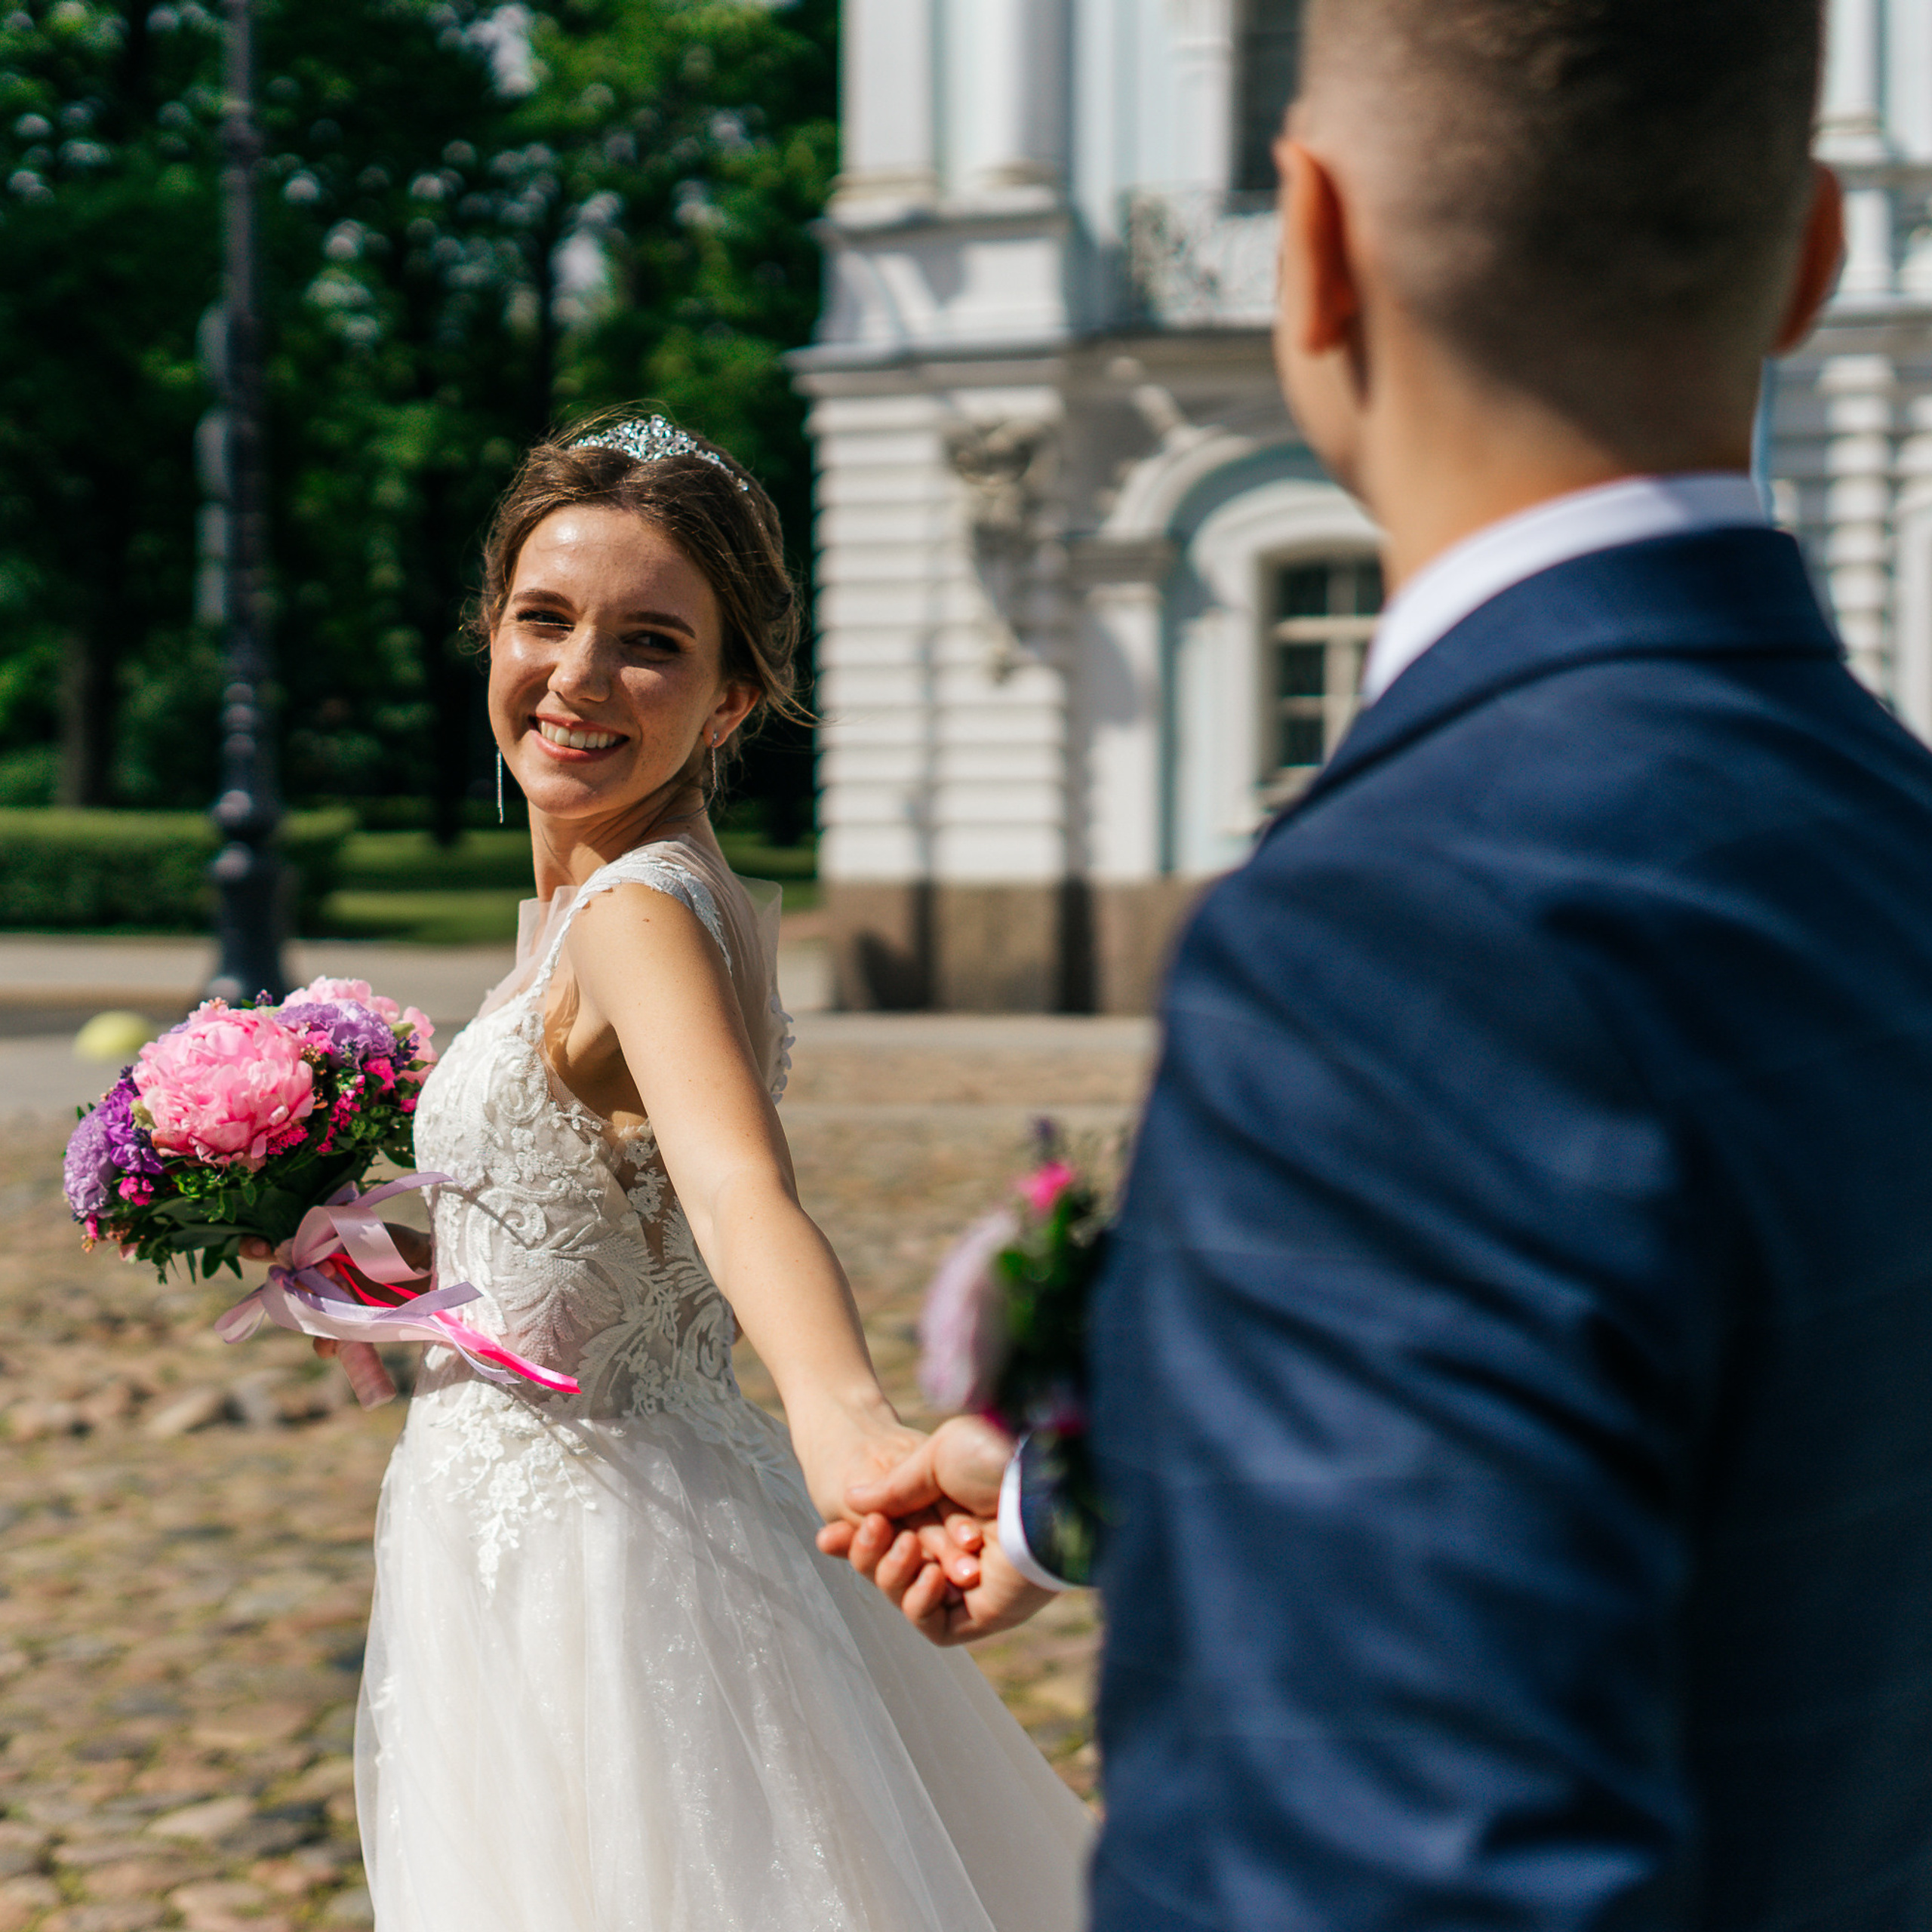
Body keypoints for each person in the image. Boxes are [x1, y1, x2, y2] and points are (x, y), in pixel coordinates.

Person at [828, 2, 1932, 1926]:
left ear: (1312, 249)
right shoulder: (1885, 833)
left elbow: (1373, 1865)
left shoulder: (1396, 937)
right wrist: (1063, 1479)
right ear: (1811, 256)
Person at [267, 413, 1093, 1930]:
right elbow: (617, 1204)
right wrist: (412, 1288)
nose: (578, 676)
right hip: (574, 1496)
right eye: (544, 618)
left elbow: (734, 1188)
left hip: (597, 1557)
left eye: (649, 642)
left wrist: (851, 1426)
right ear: (488, 630)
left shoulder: (637, 913)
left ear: (732, 700)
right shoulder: (647, 895)